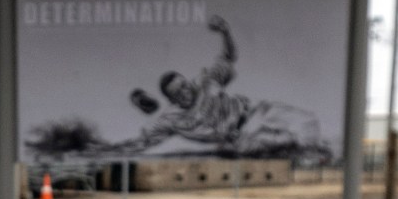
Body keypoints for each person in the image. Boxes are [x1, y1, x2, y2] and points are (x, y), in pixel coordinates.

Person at [102, 16, 328, 161]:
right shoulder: (172, 119)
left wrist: (226, 32)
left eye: (184, 85)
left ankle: (319, 158)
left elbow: (229, 57)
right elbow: (142, 142)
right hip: (241, 137)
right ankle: (304, 156)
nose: (185, 92)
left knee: (307, 122)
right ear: (172, 99)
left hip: (255, 112)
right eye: (177, 93)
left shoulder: (205, 82)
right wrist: (107, 150)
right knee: (286, 147)